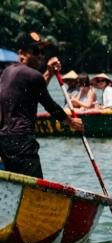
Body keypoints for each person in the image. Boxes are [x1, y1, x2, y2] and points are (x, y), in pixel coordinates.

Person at [0, 32, 82, 178]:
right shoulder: (34, 76)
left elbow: (34, 90)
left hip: (4, 140)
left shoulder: (6, 72)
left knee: (15, 183)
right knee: (35, 186)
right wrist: (71, 122)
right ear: (22, 54)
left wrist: (49, 73)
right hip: (23, 141)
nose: (40, 56)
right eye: (35, 51)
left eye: (42, 52)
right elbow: (50, 105)